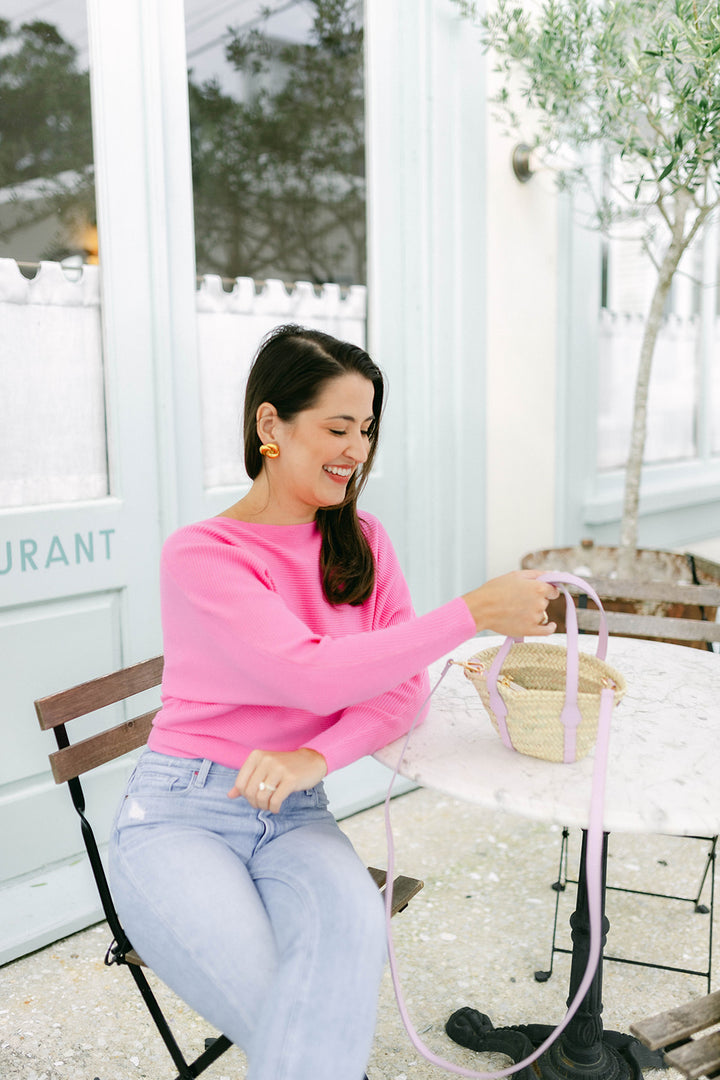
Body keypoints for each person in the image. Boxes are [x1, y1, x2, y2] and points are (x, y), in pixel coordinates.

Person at [108, 324, 558, 1080]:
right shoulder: (204, 554)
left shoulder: (364, 541)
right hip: (181, 817)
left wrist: (314, 756)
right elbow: (311, 676)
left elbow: (404, 688)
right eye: (338, 427)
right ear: (270, 426)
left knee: (328, 1000)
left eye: (368, 429)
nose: (357, 448)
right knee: (306, 1034)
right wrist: (470, 612)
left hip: (298, 816)